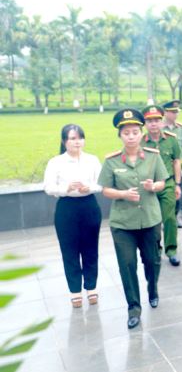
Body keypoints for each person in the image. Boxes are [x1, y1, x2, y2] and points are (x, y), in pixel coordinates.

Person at [99, 109, 167, 329]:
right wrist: (122, 194)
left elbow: (162, 183)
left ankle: (153, 288)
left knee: (153, 260)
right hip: (123, 223)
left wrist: (152, 186)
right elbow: (105, 190)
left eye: (135, 132)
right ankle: (134, 308)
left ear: (141, 133)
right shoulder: (111, 161)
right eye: (126, 132)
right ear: (120, 135)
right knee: (127, 265)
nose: (131, 136)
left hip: (149, 218)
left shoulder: (153, 156)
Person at [44, 124, 102, 308]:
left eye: (80, 138)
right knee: (69, 250)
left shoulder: (92, 160)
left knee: (90, 249)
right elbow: (49, 187)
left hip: (89, 206)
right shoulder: (56, 162)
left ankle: (91, 287)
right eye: (72, 138)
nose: (77, 142)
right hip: (66, 208)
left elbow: (101, 184)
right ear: (64, 141)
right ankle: (75, 291)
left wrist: (89, 188)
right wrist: (66, 188)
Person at [141, 105, 182, 267]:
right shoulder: (141, 142)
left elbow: (177, 162)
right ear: (145, 123)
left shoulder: (171, 140)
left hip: (168, 184)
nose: (153, 124)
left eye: (157, 120)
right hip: (149, 187)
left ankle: (171, 250)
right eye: (150, 121)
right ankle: (155, 250)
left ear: (161, 121)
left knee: (170, 218)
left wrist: (178, 184)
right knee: (152, 221)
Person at [163, 100, 182, 225]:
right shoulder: (160, 128)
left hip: (179, 166)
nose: (175, 115)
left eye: (176, 112)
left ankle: (174, 217)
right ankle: (165, 220)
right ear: (165, 113)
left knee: (177, 193)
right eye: (172, 112)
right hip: (164, 167)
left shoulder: (181, 129)